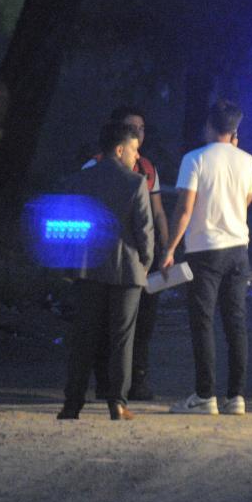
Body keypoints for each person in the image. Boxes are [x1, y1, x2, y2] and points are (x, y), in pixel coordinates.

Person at [163, 99, 252, 416]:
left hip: (204, 249)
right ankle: (237, 396)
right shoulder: (248, 161)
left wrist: (170, 248)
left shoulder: (194, 159)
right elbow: (247, 199)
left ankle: (205, 394)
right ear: (235, 130)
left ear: (209, 126)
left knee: (203, 322)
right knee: (236, 323)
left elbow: (185, 209)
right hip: (238, 248)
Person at [57, 122, 154, 421]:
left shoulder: (79, 180)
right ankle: (117, 403)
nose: (137, 157)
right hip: (127, 270)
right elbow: (144, 231)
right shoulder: (135, 183)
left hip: (88, 269)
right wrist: (145, 261)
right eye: (134, 150)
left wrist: (69, 263)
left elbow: (70, 225)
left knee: (83, 338)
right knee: (121, 339)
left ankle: (72, 403)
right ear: (120, 149)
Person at [88, 105, 170, 400]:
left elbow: (156, 214)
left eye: (142, 128)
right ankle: (107, 384)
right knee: (105, 323)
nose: (138, 133)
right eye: (132, 127)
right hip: (106, 257)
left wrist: (165, 249)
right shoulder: (94, 167)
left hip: (139, 258)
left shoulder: (146, 169)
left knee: (142, 324)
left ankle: (136, 380)